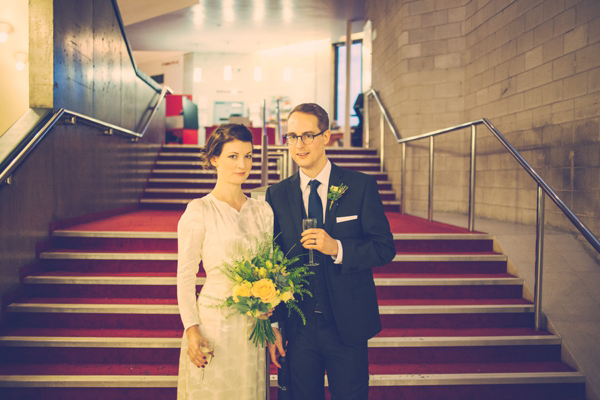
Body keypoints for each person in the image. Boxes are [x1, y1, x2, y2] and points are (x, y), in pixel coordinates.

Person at [266, 103, 396, 400]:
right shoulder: (277, 194)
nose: (299, 145)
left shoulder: (360, 185)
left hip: (347, 324)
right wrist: (274, 324)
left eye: (308, 135)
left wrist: (336, 247)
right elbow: (272, 261)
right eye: (292, 136)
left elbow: (384, 248)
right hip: (298, 329)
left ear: (327, 137)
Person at [177, 124, 274, 400]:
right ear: (214, 159)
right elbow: (185, 276)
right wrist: (191, 329)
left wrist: (269, 314)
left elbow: (268, 267)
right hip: (214, 323)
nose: (242, 164)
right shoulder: (199, 210)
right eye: (233, 156)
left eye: (248, 156)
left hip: (252, 324)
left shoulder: (263, 210)